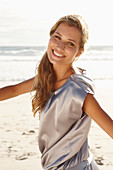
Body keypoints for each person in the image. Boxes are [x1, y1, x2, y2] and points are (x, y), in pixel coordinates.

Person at [0, 14, 113, 170]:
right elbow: (15, 89)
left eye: (70, 43)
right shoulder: (47, 77)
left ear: (79, 52)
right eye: (57, 37)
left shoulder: (78, 91)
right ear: (50, 37)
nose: (60, 46)